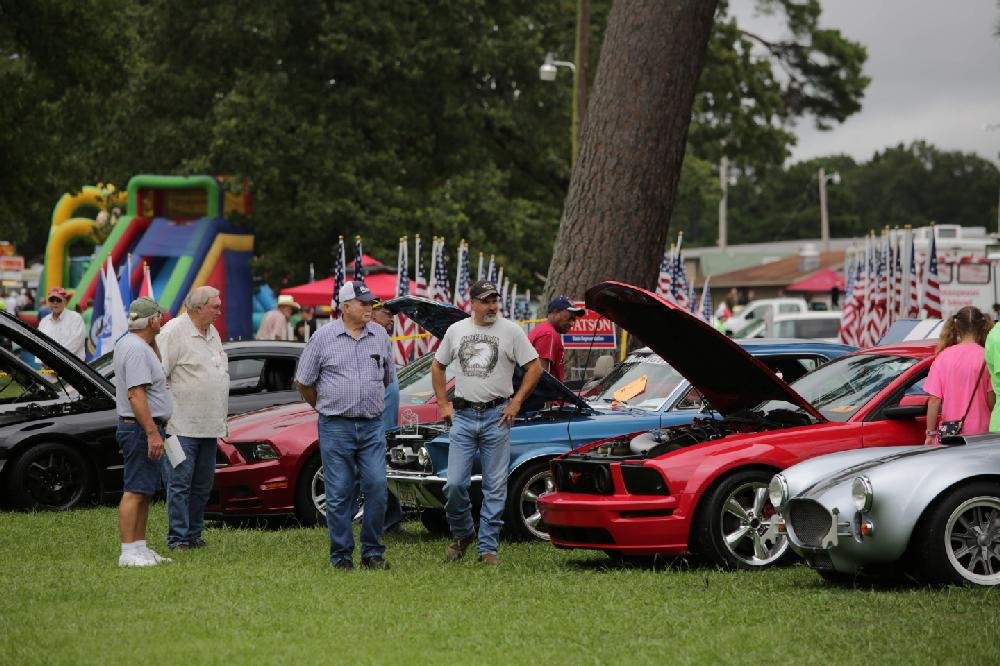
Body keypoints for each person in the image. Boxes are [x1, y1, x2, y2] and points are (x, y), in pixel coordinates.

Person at [433, 279, 541, 565]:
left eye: (495, 300)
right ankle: (463, 533)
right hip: (463, 416)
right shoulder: (456, 330)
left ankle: (488, 550)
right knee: (454, 485)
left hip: (497, 416)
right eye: (486, 301)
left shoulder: (512, 331)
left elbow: (535, 367)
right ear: (473, 304)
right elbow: (438, 365)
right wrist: (443, 403)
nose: (492, 306)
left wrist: (517, 402)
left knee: (494, 487)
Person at [295, 280, 396, 570]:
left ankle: (372, 553)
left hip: (371, 425)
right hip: (336, 425)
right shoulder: (323, 337)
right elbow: (304, 382)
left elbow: (387, 378)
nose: (369, 308)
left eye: (370, 303)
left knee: (377, 486)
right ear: (346, 306)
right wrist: (325, 407)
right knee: (339, 491)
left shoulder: (379, 335)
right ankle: (341, 556)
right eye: (363, 303)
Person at [157, 286, 228, 550]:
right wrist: (164, 414)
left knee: (202, 485)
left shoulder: (212, 332)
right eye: (215, 306)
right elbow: (158, 375)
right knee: (179, 484)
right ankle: (178, 538)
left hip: (209, 425)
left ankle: (194, 535)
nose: (220, 311)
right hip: (180, 426)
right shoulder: (174, 331)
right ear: (198, 308)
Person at [114, 297, 173, 567]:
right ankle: (128, 552)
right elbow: (136, 394)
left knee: (145, 490)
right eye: (159, 317)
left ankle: (140, 547)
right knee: (135, 490)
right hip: (139, 428)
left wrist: (153, 339)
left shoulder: (138, 345)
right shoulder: (136, 349)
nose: (162, 320)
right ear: (151, 320)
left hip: (143, 427)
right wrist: (151, 432)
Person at [926, 306, 994, 445]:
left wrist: (930, 434)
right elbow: (991, 399)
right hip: (981, 435)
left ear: (957, 327)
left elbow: (934, 400)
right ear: (982, 326)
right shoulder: (987, 357)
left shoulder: (942, 357)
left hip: (951, 435)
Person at [370, 303, 404, 533]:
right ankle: (384, 521)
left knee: (385, 469)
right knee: (377, 471)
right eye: (387, 313)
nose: (392, 319)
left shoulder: (382, 339)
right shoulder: (371, 338)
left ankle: (390, 520)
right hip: (374, 421)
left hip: (388, 423)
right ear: (371, 314)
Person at [527, 295, 585, 382]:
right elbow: (541, 378)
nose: (572, 324)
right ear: (556, 312)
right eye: (570, 318)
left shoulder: (543, 329)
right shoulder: (549, 334)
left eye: (573, 320)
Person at [37, 286, 86, 359]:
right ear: (49, 303)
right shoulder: (44, 321)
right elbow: (39, 343)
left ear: (65, 302)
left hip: (70, 364)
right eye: (52, 300)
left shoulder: (75, 318)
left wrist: (53, 358)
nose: (55, 302)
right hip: (47, 364)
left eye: (58, 300)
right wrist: (42, 360)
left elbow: (75, 343)